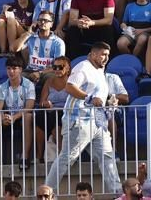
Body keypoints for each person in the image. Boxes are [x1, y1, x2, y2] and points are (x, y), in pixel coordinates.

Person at [44, 42, 122, 195]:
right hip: (79, 120)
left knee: (107, 158)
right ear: (92, 54)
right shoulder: (83, 67)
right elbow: (70, 87)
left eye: (107, 55)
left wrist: (109, 102)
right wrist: (89, 98)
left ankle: (119, 194)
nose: (105, 58)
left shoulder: (100, 71)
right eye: (102, 54)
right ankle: (46, 193)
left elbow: (97, 98)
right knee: (67, 158)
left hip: (98, 122)